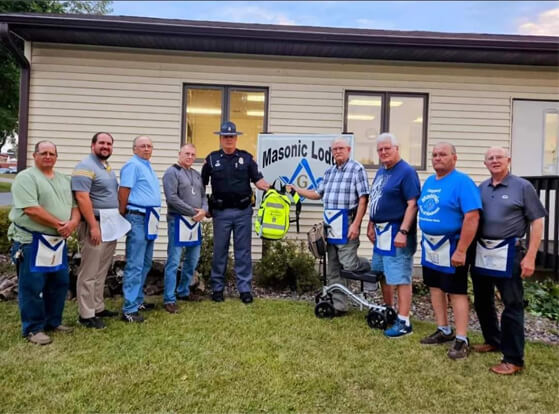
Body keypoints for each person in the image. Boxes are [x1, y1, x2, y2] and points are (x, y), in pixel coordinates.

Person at [471, 147, 546, 375]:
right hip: (483, 251)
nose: (495, 161)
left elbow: (537, 221)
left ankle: (513, 359)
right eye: (490, 158)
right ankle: (493, 339)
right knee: (483, 300)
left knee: (512, 305)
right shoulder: (481, 188)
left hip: (509, 253)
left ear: (508, 160)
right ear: (485, 164)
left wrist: (531, 255)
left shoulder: (522, 187)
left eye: (499, 157)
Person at [8, 140, 80, 345]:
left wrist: (72, 224)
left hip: (56, 241)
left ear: (56, 157)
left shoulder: (64, 179)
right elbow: (31, 208)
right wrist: (59, 224)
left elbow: (75, 207)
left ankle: (52, 321)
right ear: (35, 155)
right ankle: (33, 328)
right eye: (44, 153)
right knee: (32, 285)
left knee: (58, 283)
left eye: (52, 153)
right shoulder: (26, 178)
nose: (48, 156)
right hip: (31, 240)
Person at [289, 137, 370, 315]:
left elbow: (363, 199)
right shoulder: (329, 172)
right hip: (331, 224)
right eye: (334, 149)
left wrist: (356, 224)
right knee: (333, 267)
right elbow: (316, 194)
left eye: (341, 148)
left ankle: (370, 267)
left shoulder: (357, 169)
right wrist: (296, 189)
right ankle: (339, 305)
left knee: (348, 265)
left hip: (347, 222)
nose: (337, 151)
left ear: (348, 150)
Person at [418, 142, 481, 359]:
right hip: (431, 246)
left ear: (454, 158)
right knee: (435, 287)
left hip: (453, 246)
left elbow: (472, 217)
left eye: (443, 154)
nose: (437, 158)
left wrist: (462, 250)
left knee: (456, 291)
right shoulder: (429, 181)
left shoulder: (462, 182)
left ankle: (462, 338)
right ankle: (443, 329)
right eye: (434, 155)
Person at [201, 121, 270, 304]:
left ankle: (245, 289)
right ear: (221, 138)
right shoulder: (212, 159)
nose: (228, 139)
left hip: (242, 212)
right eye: (225, 136)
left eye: (231, 136)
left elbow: (259, 182)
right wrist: (204, 207)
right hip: (220, 212)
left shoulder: (247, 159)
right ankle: (217, 289)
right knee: (219, 251)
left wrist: (275, 188)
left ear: (236, 138)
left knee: (243, 252)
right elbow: (201, 184)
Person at [367, 133, 420, 337]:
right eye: (380, 149)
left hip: (397, 233)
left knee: (400, 277)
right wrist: (371, 223)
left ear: (397, 148)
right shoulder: (382, 171)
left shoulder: (406, 172)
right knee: (384, 274)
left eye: (387, 148)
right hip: (381, 233)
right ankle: (389, 310)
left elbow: (412, 204)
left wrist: (403, 231)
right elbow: (376, 198)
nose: (383, 152)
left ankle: (404, 321)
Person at [71, 132, 119, 329]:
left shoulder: (106, 167)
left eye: (109, 143)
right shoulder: (85, 166)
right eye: (101, 143)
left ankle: (97, 307)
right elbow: (82, 198)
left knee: (102, 269)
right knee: (89, 270)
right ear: (93, 145)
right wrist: (93, 226)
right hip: (95, 224)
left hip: (109, 224)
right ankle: (86, 314)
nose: (105, 146)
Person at [118, 136, 161, 322]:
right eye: (142, 146)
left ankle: (137, 300)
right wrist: (122, 213)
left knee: (145, 262)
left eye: (149, 146)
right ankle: (129, 309)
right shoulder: (132, 165)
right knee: (135, 264)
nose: (146, 149)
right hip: (137, 217)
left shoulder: (146, 165)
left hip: (149, 218)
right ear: (134, 149)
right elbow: (124, 191)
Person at [162, 144, 207, 313]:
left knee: (192, 259)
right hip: (178, 220)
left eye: (193, 154)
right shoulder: (171, 173)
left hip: (195, 222)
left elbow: (203, 196)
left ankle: (183, 290)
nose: (190, 157)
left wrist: (203, 210)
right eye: (186, 153)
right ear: (179, 154)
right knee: (174, 261)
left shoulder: (196, 174)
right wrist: (191, 212)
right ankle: (169, 298)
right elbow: (172, 198)